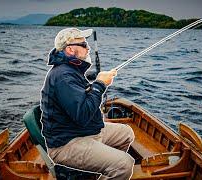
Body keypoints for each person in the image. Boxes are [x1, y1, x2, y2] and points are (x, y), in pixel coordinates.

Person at [40, 28, 135, 180]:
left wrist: (99, 82)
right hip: (67, 143)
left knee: (126, 133)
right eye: (83, 44)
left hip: (81, 131)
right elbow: (82, 114)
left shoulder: (71, 70)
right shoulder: (64, 76)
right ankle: (113, 167)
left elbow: (80, 98)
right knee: (125, 164)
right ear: (70, 49)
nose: (88, 47)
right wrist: (100, 85)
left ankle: (104, 170)